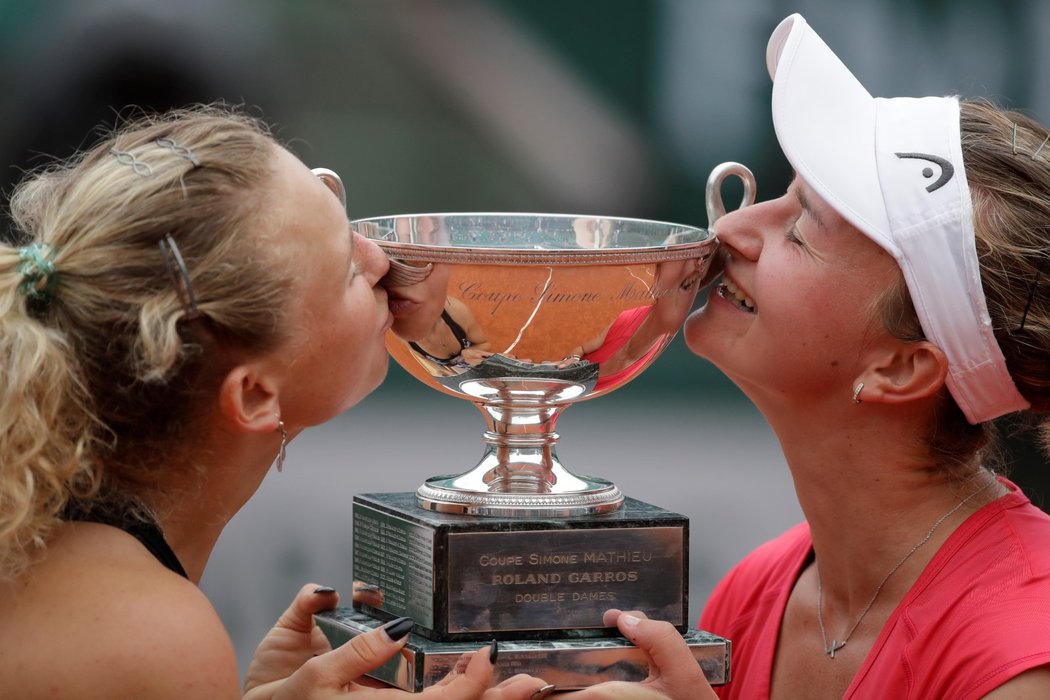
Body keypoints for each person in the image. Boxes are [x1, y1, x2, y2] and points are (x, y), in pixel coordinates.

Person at [571, 12, 1050, 700]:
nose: (733, 228)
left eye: (799, 228)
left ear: (901, 368)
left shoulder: (1021, 655)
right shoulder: (758, 587)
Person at [0, 105, 552, 700]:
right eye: (345, 267)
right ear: (256, 394)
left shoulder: (94, 583)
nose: (381, 261)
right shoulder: (149, 636)